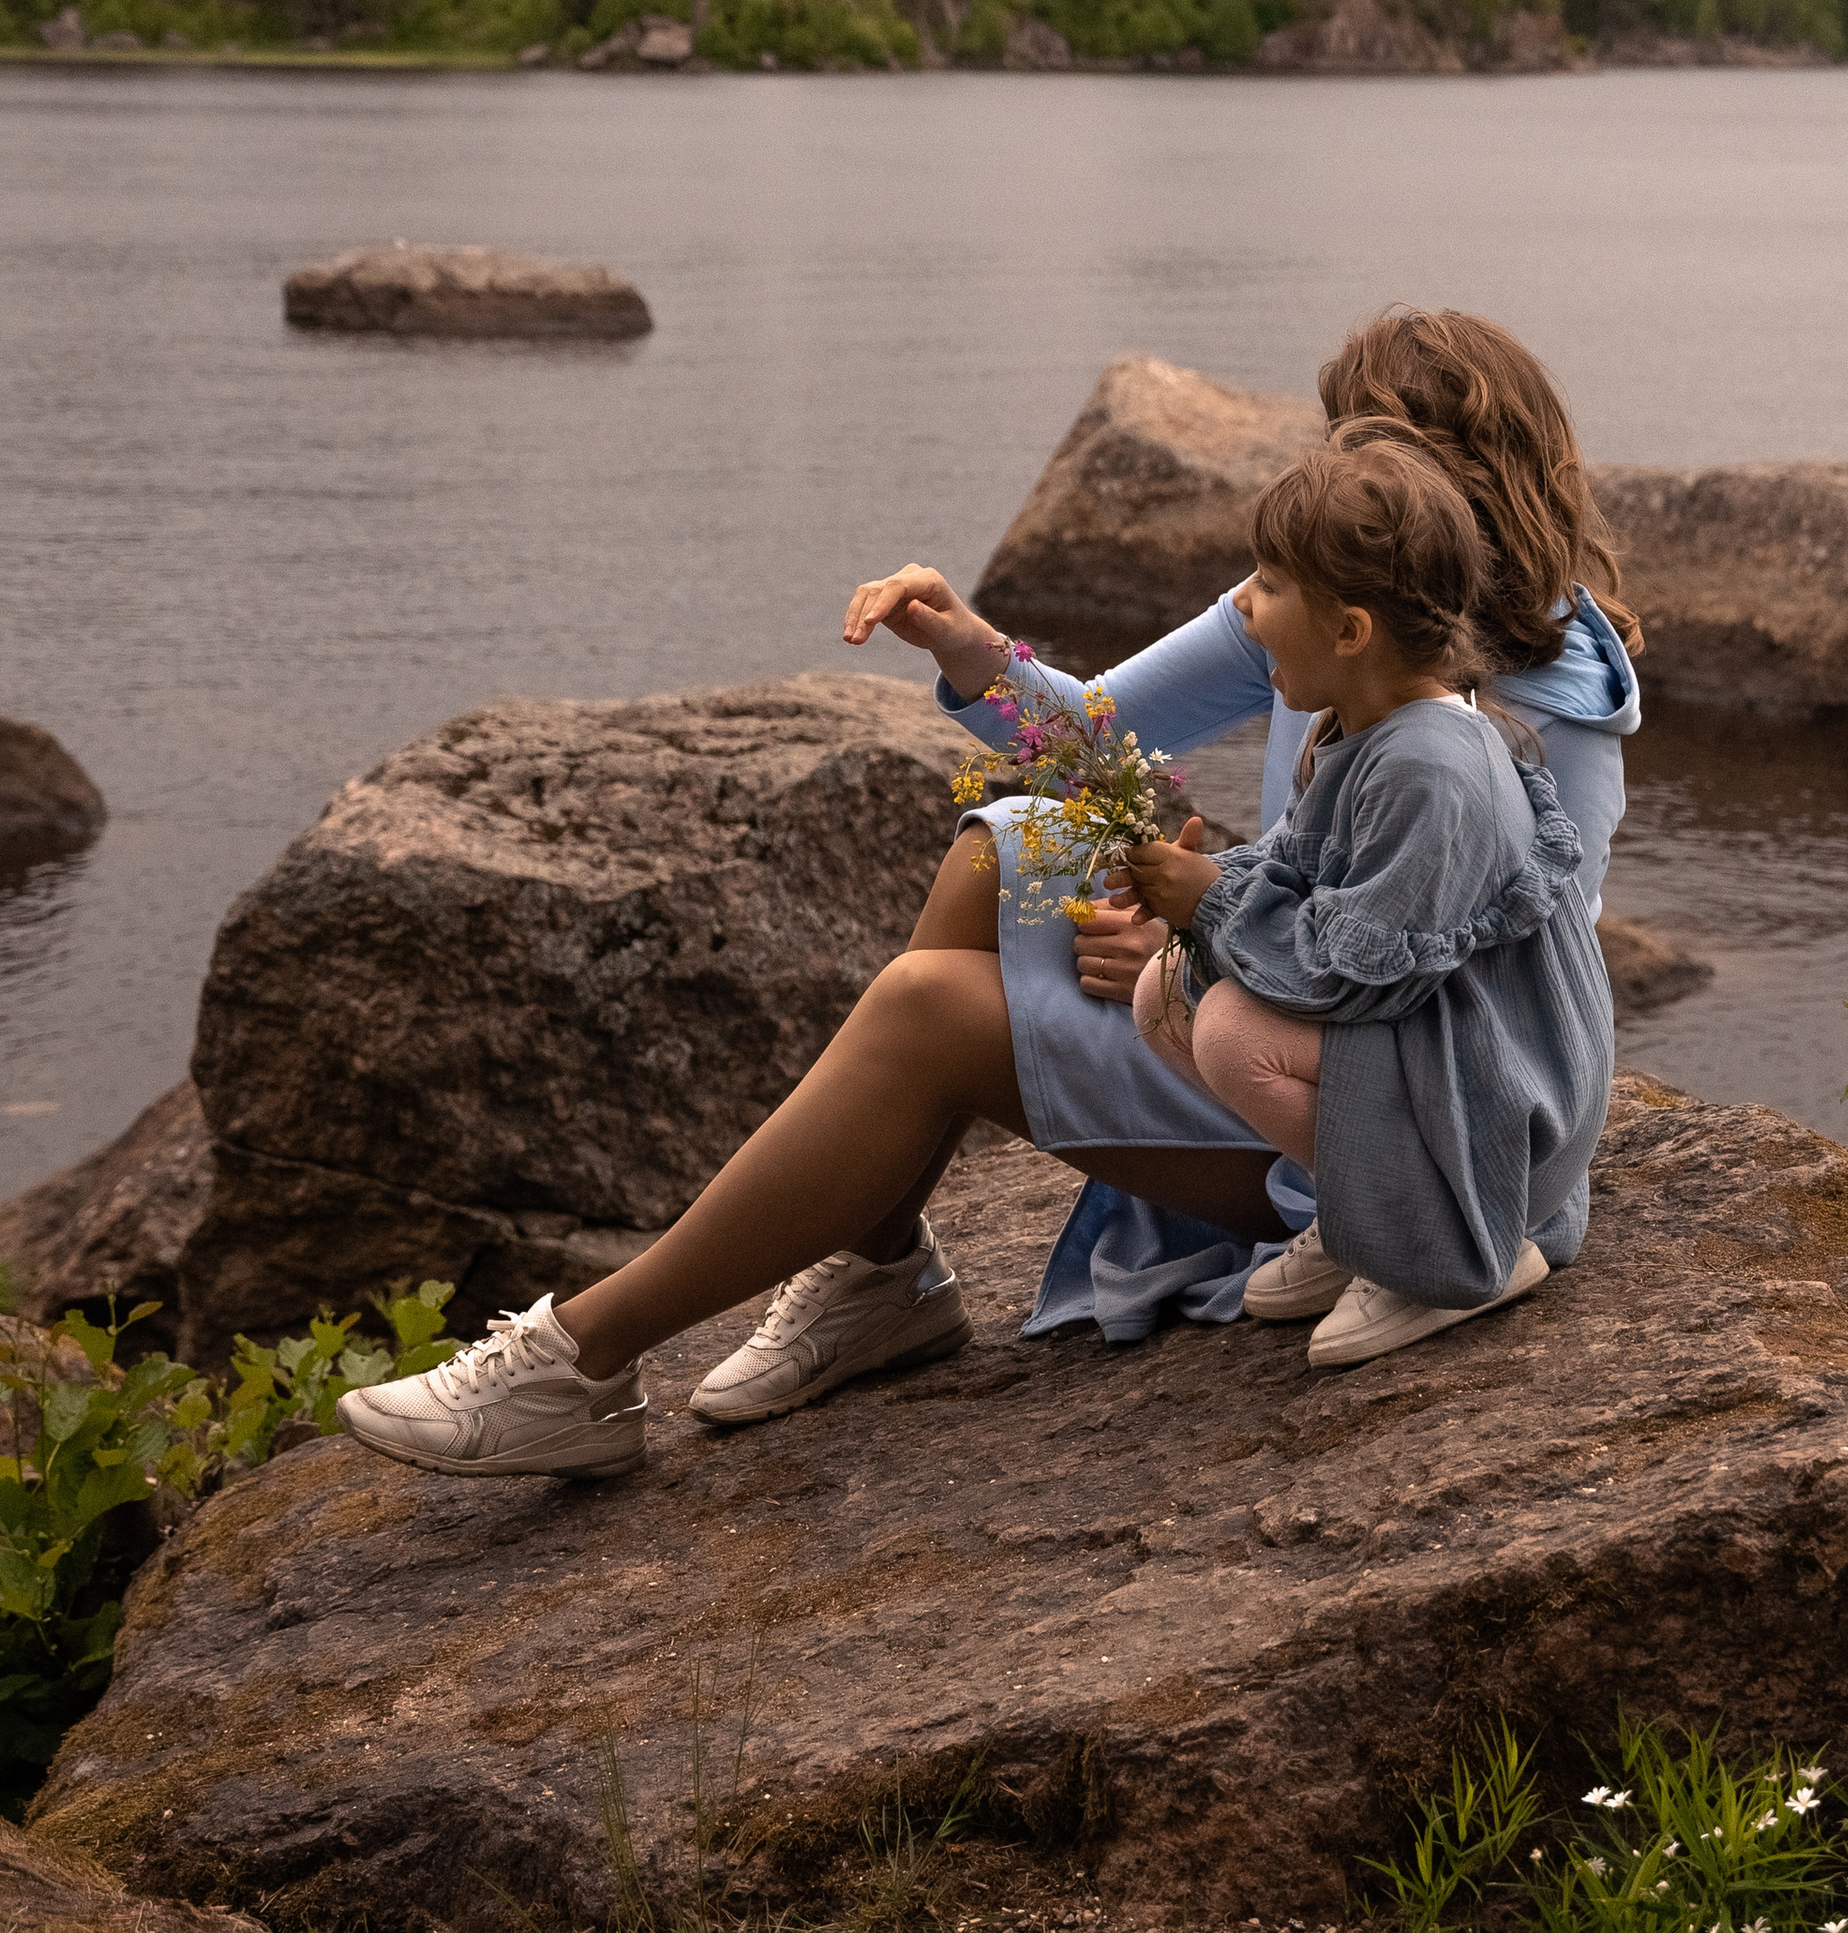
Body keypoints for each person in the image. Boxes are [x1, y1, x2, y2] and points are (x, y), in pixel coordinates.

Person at [336, 308, 1639, 1483]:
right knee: (1007, 841)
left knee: (927, 1015)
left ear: (1432, 516)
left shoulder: (1524, 724)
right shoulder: (1337, 596)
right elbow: (1107, 748)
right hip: (1294, 990)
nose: (1327, 487)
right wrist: (971, 651)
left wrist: (1199, 945)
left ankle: (584, 1358)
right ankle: (874, 1270)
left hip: (1376, 1119)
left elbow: (1494, 1010)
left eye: (1357, 456)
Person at [1121, 431, 1614, 1370]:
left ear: (1350, 631)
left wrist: (1214, 909)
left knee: (1228, 1029)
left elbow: (1355, 979)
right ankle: (1371, 1211)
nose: (1241, 605)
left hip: (1514, 1108)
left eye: (1267, 585)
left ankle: (1454, 1244)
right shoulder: (1365, 728)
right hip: (1456, 1044)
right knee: (1166, 994)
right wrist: (1201, 888)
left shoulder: (1433, 765)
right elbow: (1304, 875)